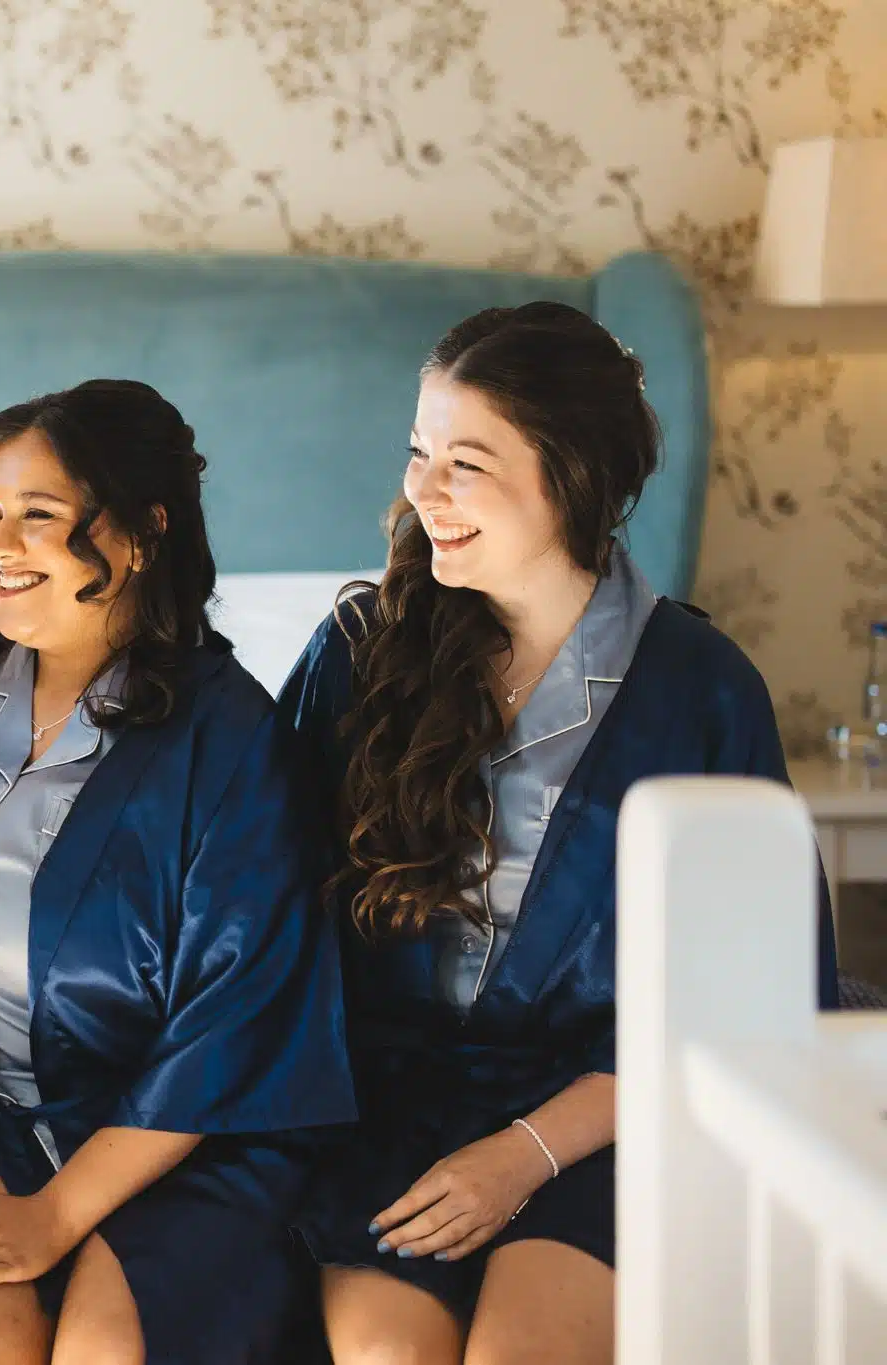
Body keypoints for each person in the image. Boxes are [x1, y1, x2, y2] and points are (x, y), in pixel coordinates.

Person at [283, 302, 839, 1364]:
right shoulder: (360, 652)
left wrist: (523, 1153)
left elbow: (763, 993)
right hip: (386, 1113)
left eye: (467, 462)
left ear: (570, 475)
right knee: (386, 1355)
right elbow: (254, 914)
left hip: (601, 1120)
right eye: (417, 452)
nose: (422, 492)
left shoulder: (700, 691)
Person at [0, 379, 355, 1365]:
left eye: (36, 517)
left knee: (104, 1351)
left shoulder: (232, 742)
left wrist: (55, 1216)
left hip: (173, 1144)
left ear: (136, 534)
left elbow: (231, 1031)